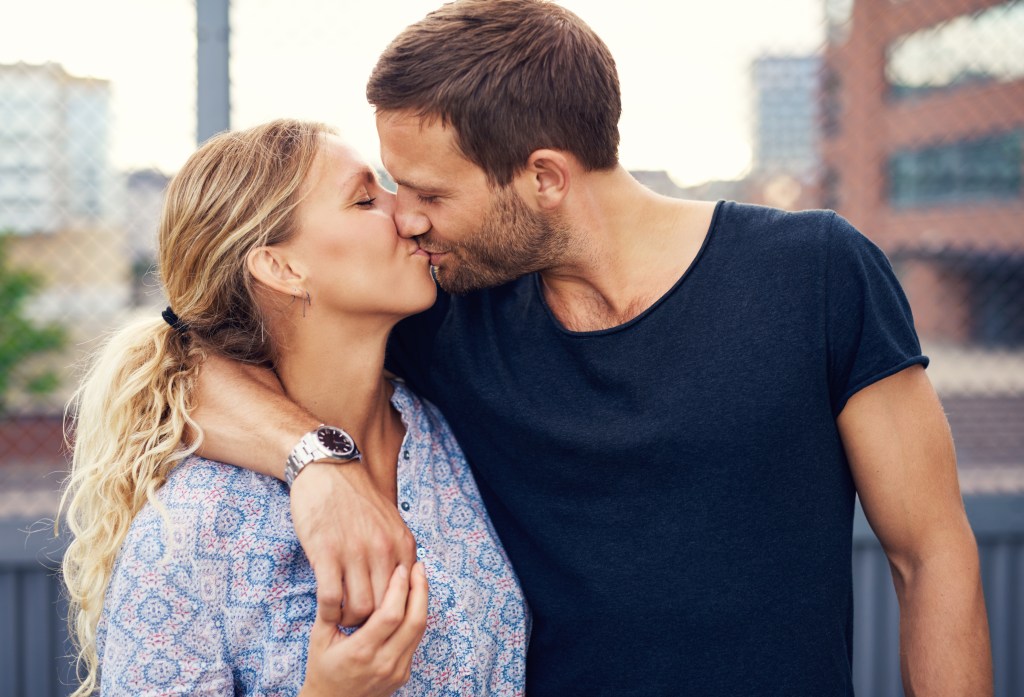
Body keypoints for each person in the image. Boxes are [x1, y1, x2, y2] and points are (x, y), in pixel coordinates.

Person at [195, 1, 994, 695]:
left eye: (432, 193)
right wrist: (318, 464)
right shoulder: (443, 311)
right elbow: (186, 362)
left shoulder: (817, 270)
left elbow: (930, 555)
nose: (407, 219)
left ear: (544, 178)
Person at [59, 120, 528, 697]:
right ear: (282, 267)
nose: (408, 216)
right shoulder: (192, 530)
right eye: (365, 200)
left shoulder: (457, 433)